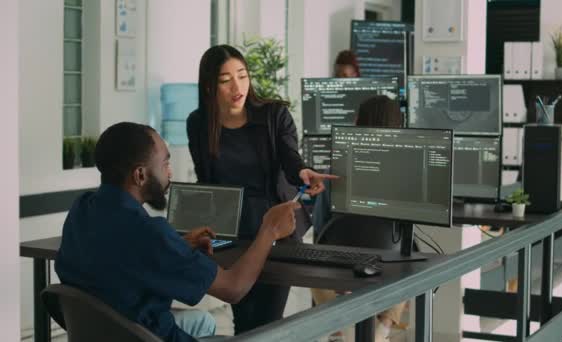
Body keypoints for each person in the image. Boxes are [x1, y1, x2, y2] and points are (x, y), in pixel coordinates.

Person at [55, 122, 300, 342]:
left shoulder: (82, 209)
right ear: (140, 175)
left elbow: (121, 256)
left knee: (203, 321)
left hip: (104, 333)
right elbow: (233, 288)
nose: (169, 172)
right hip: (148, 335)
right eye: (165, 163)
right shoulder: (150, 234)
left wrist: (177, 244)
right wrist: (269, 230)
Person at [186, 44, 337, 334]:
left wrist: (302, 171)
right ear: (209, 86)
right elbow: (206, 182)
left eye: (242, 75)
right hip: (231, 235)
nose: (237, 86)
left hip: (277, 229)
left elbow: (289, 156)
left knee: (267, 323)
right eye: (225, 79)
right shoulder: (199, 123)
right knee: (243, 320)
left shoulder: (273, 114)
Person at [311, 95, 408, 342]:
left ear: (356, 124)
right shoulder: (404, 176)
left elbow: (321, 225)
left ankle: (343, 327)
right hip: (387, 264)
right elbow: (407, 230)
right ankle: (383, 328)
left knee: (313, 261)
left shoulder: (334, 174)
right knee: (409, 267)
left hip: (337, 267)